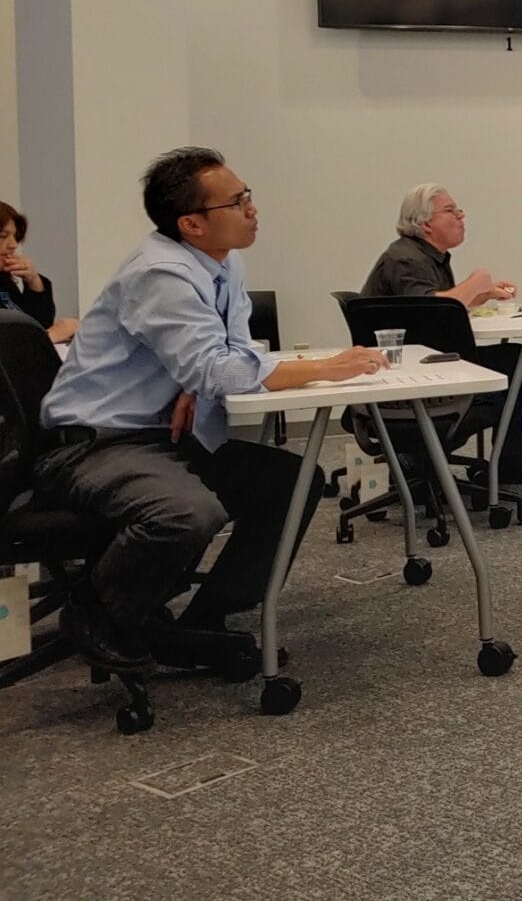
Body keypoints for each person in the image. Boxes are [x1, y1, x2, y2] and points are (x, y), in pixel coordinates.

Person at [35, 147, 389, 672]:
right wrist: (324, 367)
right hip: (94, 443)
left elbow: (230, 353)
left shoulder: (222, 262)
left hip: (156, 435)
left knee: (292, 482)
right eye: (237, 202)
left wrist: (194, 379)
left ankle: (206, 618)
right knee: (186, 513)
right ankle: (98, 612)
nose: (252, 209)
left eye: (248, 196)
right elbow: (219, 370)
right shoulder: (161, 274)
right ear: (192, 223)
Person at [361, 184, 522, 485]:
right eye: (450, 211)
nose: (461, 216)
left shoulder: (426, 255)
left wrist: (482, 294)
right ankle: (507, 458)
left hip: (424, 360)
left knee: (515, 359)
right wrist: (475, 282)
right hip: (412, 373)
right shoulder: (405, 258)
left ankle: (508, 457)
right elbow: (430, 311)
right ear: (425, 223)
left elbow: (434, 308)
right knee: (516, 362)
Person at [0, 201, 79, 342]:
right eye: (3, 236)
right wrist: (53, 335)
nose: (13, 245)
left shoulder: (4, 280)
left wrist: (33, 281)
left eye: (15, 236)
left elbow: (39, 324)